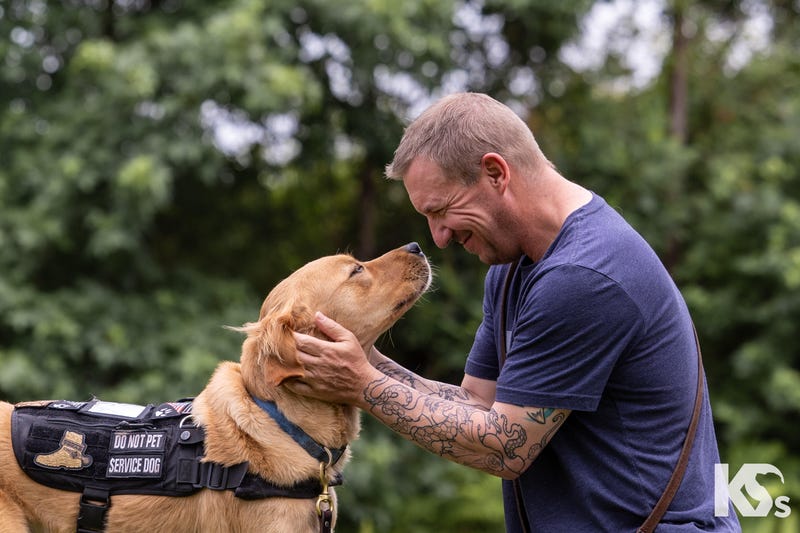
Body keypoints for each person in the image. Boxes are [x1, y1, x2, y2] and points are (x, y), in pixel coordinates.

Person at [289, 93, 740, 531]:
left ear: (495, 173)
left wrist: (363, 385)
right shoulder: (512, 268)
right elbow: (478, 405)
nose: (439, 237)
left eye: (442, 210)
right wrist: (367, 360)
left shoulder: (585, 274)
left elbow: (505, 447)